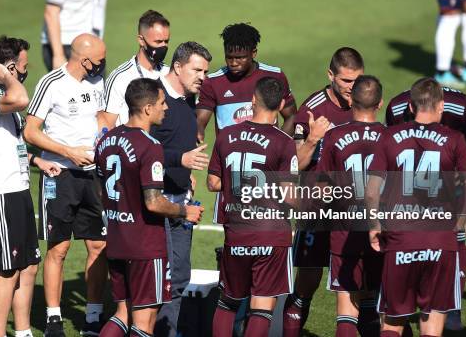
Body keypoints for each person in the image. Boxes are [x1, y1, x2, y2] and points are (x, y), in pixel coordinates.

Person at [366, 77, 466, 336]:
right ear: (441, 106)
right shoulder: (454, 139)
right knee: (432, 322)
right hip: (441, 240)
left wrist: (374, 226)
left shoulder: (389, 137)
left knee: (392, 322)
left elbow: (372, 191)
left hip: (401, 238)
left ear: (411, 106)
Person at [95, 78, 204, 337]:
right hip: (145, 246)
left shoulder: (107, 140)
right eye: (162, 103)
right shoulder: (151, 146)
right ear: (147, 109)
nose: (166, 108)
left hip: (117, 238)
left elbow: (101, 191)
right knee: (144, 322)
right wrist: (185, 211)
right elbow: (154, 202)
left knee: (122, 314)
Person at [0, 37, 61, 337]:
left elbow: (11, 142)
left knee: (29, 266)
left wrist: (36, 161)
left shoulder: (5, 92)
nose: (26, 70)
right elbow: (21, 100)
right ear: (9, 68)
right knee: (7, 270)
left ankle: (22, 332)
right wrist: (10, 78)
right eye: (22, 66)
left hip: (17, 189)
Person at [24, 34, 108, 336]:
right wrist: (68, 151)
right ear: (84, 60)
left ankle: (94, 316)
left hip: (94, 176)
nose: (102, 66)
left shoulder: (98, 83)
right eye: (99, 61)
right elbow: (30, 132)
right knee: (58, 248)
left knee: (99, 245)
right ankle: (54, 318)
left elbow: (102, 119)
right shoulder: (51, 83)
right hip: (60, 175)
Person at [283, 47, 364, 337]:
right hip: (316, 208)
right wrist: (312, 140)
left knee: (358, 287)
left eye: (357, 80)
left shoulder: (363, 103)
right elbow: (294, 164)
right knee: (307, 281)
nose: (352, 88)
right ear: (330, 75)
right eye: (345, 81)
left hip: (353, 211)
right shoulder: (311, 109)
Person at [207, 77, 298, 337]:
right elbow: (288, 194)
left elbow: (213, 183)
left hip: (236, 231)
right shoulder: (283, 142)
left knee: (227, 301)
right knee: (262, 307)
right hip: (271, 233)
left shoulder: (226, 135)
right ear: (281, 104)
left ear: (253, 100)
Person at [316, 75, 385, 337]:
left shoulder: (334, 136)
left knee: (346, 312)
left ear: (351, 99)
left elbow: (322, 190)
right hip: (382, 232)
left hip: (345, 232)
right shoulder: (390, 136)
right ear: (379, 103)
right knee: (383, 309)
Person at [150, 42, 212, 337]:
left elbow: (176, 141)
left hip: (181, 200)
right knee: (161, 280)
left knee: (179, 277)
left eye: (205, 71)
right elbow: (140, 150)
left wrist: (185, 172)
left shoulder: (188, 98)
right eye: (197, 69)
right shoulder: (153, 97)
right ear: (177, 66)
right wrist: (180, 159)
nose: (202, 76)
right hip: (157, 202)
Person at [196, 22, 297, 141]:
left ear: (253, 53)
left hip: (267, 157)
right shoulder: (213, 82)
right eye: (229, 57)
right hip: (229, 157)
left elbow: (292, 116)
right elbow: (199, 122)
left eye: (240, 58)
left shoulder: (274, 75)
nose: (233, 63)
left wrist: (278, 145)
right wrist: (198, 132)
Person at [103, 10, 170, 127]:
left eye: (166, 41)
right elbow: (106, 123)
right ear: (141, 40)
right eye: (158, 41)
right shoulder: (120, 77)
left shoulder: (169, 73)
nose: (163, 46)